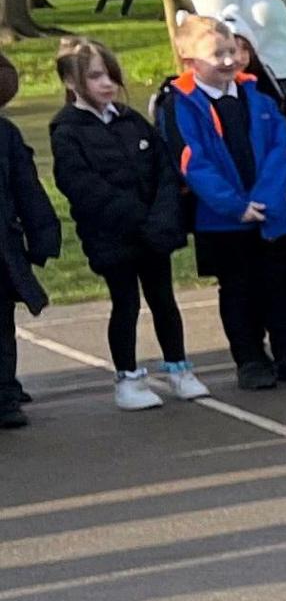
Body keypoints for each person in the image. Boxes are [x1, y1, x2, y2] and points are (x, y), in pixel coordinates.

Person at [162, 13, 286, 387]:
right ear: (190, 61)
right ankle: (250, 359)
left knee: (283, 285)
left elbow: (282, 151)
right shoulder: (182, 104)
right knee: (238, 291)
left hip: (271, 213)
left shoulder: (258, 97)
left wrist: (265, 199)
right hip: (223, 220)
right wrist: (236, 205)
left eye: (231, 50)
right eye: (218, 54)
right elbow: (192, 161)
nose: (229, 60)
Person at [49, 38, 206, 406]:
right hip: (113, 236)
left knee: (164, 300)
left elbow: (164, 169)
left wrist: (162, 214)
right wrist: (138, 218)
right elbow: (81, 186)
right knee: (126, 303)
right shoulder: (67, 130)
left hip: (154, 232)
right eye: (95, 76)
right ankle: (129, 379)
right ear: (72, 83)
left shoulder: (131, 119)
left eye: (110, 76)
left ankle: (178, 368)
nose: (107, 84)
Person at [0, 64, 50, 424]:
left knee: (2, 321)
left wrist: (42, 233)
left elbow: (27, 187)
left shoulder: (6, 135)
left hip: (3, 244)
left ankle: (4, 392)